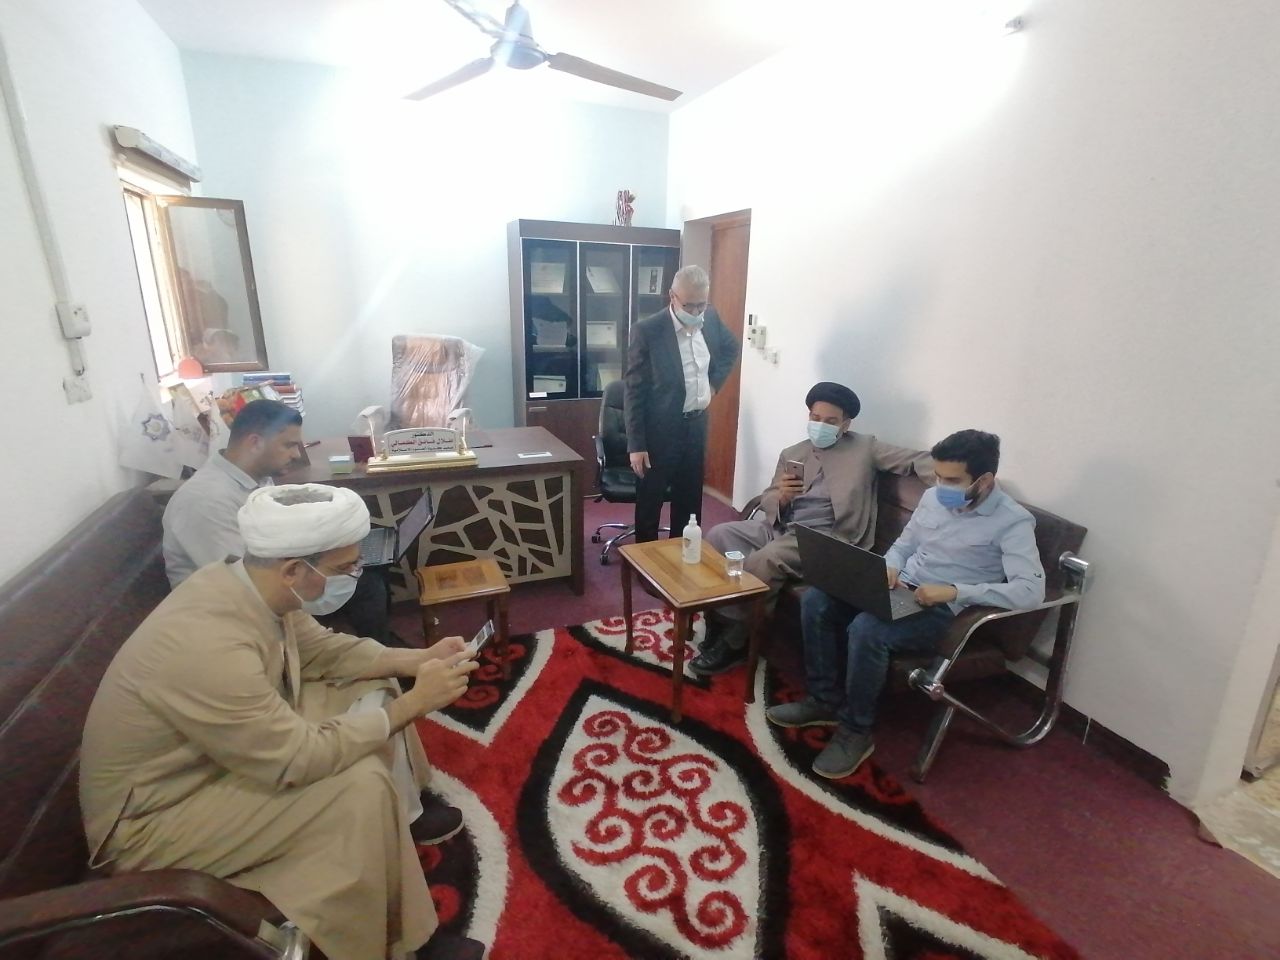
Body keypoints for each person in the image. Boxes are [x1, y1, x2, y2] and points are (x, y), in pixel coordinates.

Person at [81, 484, 485, 960]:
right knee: (359, 786)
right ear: (294, 569)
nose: (353, 576)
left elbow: (324, 651)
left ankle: (400, 823)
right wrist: (415, 704)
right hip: (155, 820)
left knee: (370, 683)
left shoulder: (247, 584)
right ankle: (401, 943)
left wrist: (416, 659)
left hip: (209, 759)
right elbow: (298, 759)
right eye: (344, 568)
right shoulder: (207, 645)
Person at [766, 430, 1045, 779]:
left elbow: (1030, 591)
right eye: (938, 476)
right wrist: (890, 566)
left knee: (868, 630)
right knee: (817, 600)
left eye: (952, 480)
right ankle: (823, 700)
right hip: (900, 589)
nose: (941, 486)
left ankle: (856, 730)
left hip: (947, 613)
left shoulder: (1012, 521)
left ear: (985, 480)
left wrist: (954, 591)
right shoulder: (933, 498)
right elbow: (903, 545)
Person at [691, 382, 934, 676]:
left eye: (830, 421)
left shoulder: (865, 448)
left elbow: (917, 461)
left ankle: (738, 640)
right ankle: (718, 619)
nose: (821, 426)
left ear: (845, 424)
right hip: (784, 525)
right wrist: (782, 496)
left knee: (766, 560)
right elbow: (769, 496)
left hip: (826, 538)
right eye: (815, 418)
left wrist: (961, 481)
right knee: (719, 535)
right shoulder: (794, 452)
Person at [162, 398, 400, 645]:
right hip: (228, 615)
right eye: (289, 445)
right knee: (366, 585)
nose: (296, 454)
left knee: (368, 567)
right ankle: (374, 654)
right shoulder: (204, 500)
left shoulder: (258, 479)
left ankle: (380, 646)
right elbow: (244, 580)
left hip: (270, 580)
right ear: (255, 443)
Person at [624, 264, 740, 542]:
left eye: (702, 304)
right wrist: (636, 445)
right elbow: (634, 391)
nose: (697, 312)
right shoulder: (648, 331)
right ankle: (645, 561)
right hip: (658, 430)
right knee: (650, 503)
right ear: (672, 297)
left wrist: (713, 384)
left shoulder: (711, 319)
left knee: (689, 502)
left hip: (695, 426)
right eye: (690, 305)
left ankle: (683, 557)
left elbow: (731, 347)